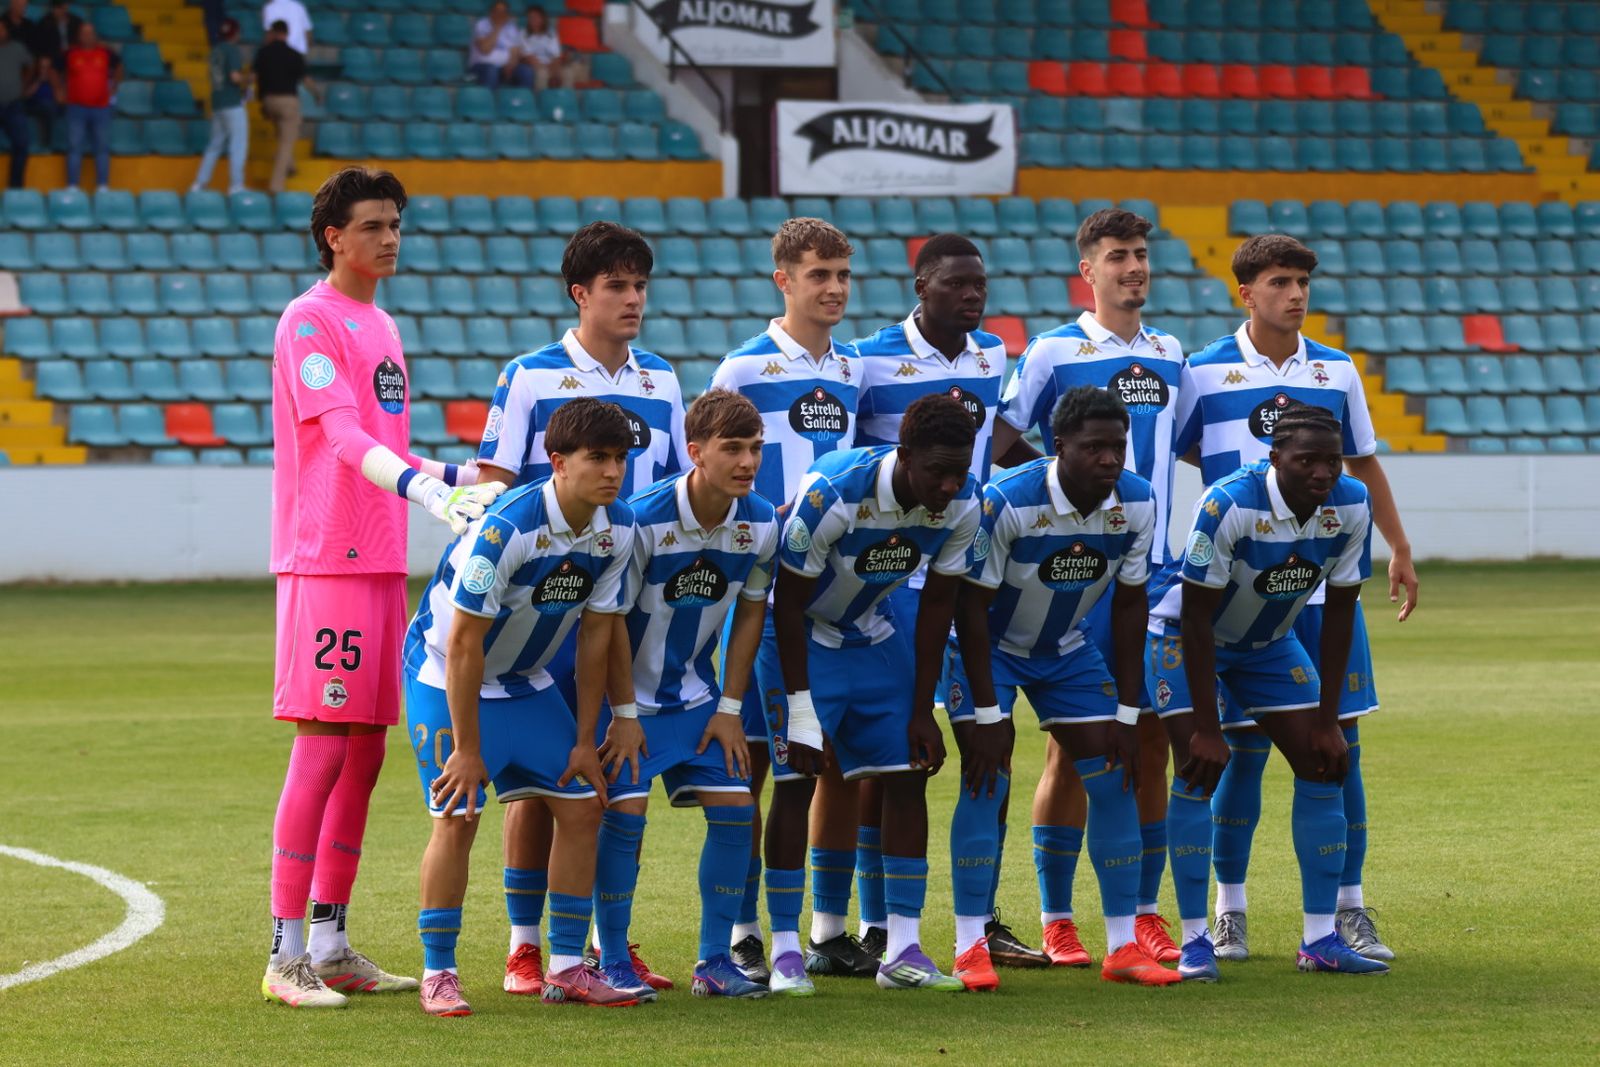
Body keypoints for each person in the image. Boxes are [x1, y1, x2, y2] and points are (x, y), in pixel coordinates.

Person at [262, 166, 502, 1009]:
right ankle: (284, 951)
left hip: (377, 561)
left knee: (363, 756)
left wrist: (451, 472)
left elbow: (381, 442)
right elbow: (336, 435)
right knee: (323, 745)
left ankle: (329, 941)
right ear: (334, 235)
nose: (389, 237)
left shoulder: (382, 323)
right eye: (372, 225)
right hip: (325, 557)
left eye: (395, 223)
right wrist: (425, 490)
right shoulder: (310, 320)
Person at [1173, 234, 1417, 964]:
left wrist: (1398, 546)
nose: (1296, 294)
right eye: (1280, 281)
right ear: (1245, 290)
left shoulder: (1336, 367)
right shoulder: (1202, 371)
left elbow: (1363, 461)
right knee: (1239, 752)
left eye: (1303, 281)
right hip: (1240, 588)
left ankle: (1347, 910)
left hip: (1316, 588)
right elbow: (1187, 448)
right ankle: (1229, 911)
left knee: (1340, 745)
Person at [474, 220, 687, 998]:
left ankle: (605, 941)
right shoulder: (529, 376)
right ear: (580, 295)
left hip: (624, 607)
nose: (633, 300)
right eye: (617, 287)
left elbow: (662, 495)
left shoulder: (662, 380)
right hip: (543, 616)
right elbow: (492, 485)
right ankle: (525, 946)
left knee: (609, 777)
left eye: (640, 286)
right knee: (541, 781)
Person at [990, 208, 1188, 969]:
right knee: (1071, 753)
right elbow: (1005, 436)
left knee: (1147, 743)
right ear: (1089, 271)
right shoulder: (1051, 352)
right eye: (1117, 257)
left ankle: (1141, 913)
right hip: (1075, 578)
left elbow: (1190, 438)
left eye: (1140, 254)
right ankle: (1056, 917)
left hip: (1153, 573)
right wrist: (1066, 507)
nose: (1133, 267)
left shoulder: (1171, 353)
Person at [406, 397, 643, 1016]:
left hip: (529, 680)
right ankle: (439, 971)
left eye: (620, 458)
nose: (613, 471)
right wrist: (467, 748)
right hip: (447, 677)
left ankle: (565, 966)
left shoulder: (618, 528)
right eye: (598, 458)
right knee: (458, 817)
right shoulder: (506, 527)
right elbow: (462, 643)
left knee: (583, 804)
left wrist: (585, 738)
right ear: (558, 462)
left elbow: (597, 634)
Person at [851, 235, 1046, 970]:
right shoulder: (869, 358)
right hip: (888, 582)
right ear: (922, 282)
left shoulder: (994, 354)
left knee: (984, 742)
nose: (974, 296)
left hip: (968, 571)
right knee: (887, 753)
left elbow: (996, 442)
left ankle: (981, 916)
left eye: (981, 285)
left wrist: (1050, 474)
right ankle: (875, 924)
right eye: (959, 284)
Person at [1146, 404, 1389, 977]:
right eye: (1307, 460)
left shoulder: (1352, 503)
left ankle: (1319, 940)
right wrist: (1207, 728)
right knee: (1196, 769)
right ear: (1274, 458)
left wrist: (1329, 718)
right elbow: (1199, 619)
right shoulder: (1227, 503)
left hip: (1269, 643)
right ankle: (1196, 940)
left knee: (1325, 762)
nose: (1322, 473)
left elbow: (1340, 615)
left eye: (1331, 461)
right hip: (1185, 637)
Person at [951, 386, 1181, 987]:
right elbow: (970, 609)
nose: (1110, 460)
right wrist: (984, 710)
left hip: (1066, 650)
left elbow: (1131, 610)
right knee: (985, 777)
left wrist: (1129, 714)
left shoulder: (1137, 500)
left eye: (1118, 448)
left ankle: (1122, 946)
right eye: (1095, 447)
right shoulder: (1005, 501)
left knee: (1115, 776)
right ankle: (969, 943)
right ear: (1059, 447)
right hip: (990, 652)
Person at [772, 393, 979, 993]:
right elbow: (786, 603)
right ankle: (787, 949)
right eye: (937, 470)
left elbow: (939, 602)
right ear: (904, 455)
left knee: (907, 774)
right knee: (795, 779)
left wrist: (923, 707)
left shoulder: (966, 501)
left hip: (870, 630)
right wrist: (802, 709)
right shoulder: (834, 491)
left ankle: (904, 950)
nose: (948, 484)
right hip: (796, 633)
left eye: (959, 470)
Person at [708, 216, 860, 988]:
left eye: (841, 274)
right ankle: (742, 933)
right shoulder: (742, 369)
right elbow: (710, 466)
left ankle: (819, 930)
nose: (832, 289)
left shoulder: (850, 372)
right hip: (757, 596)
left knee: (818, 767)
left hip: (827, 601)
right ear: (784, 281)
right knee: (754, 765)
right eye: (817, 275)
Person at [589, 389, 780, 1001]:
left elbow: (750, 614)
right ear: (696, 452)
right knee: (625, 820)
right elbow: (609, 620)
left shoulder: (761, 522)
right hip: (626, 707)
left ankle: (714, 962)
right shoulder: (641, 520)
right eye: (733, 448)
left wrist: (729, 707)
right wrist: (621, 714)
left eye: (755, 447)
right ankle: (611, 960)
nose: (748, 461)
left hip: (699, 702)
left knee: (737, 813)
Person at [54, 21, 117, 191]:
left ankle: (102, 186)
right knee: (74, 147)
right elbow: (53, 70)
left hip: (101, 108)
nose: (87, 35)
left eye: (90, 32)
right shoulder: (70, 53)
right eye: (84, 32)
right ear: (79, 35)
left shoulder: (106, 52)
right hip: (76, 108)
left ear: (95, 35)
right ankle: (73, 186)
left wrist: (114, 88)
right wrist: (58, 89)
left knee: (102, 148)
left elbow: (120, 67)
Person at [189, 17, 247, 194]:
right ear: (235, 33)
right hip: (232, 102)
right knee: (238, 144)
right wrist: (249, 79)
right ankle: (236, 185)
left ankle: (199, 184)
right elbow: (235, 77)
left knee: (214, 145)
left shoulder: (215, 51)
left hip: (217, 102)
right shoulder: (232, 50)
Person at [253, 20, 307, 194]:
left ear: (273, 32)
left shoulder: (263, 52)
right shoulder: (294, 54)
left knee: (282, 132)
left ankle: (290, 166)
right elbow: (305, 79)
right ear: (286, 33)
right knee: (286, 141)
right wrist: (317, 94)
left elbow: (256, 78)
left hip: (269, 101)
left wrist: (260, 101)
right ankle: (276, 185)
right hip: (288, 102)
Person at [0, 17, 36, 188]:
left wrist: (25, 85)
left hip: (13, 105)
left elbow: (31, 65)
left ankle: (15, 188)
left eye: (1, 29)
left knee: (22, 144)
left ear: (7, 31)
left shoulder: (17, 48)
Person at [468, 1, 529, 88]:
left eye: (504, 11)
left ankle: (523, 99)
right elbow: (485, 49)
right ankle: (488, 99)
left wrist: (510, 65)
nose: (501, 14)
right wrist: (497, 27)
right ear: (491, 12)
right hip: (482, 66)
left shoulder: (511, 27)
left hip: (504, 67)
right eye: (498, 11)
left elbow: (515, 51)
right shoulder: (481, 24)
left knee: (525, 71)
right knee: (492, 70)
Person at [514, 6, 572, 90]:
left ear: (542, 19)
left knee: (567, 72)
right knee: (542, 73)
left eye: (536, 17)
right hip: (535, 65)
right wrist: (545, 68)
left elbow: (556, 56)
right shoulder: (523, 34)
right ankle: (541, 99)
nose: (533, 20)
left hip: (551, 65)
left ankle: (564, 99)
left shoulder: (551, 33)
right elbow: (529, 58)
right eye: (530, 17)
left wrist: (554, 69)